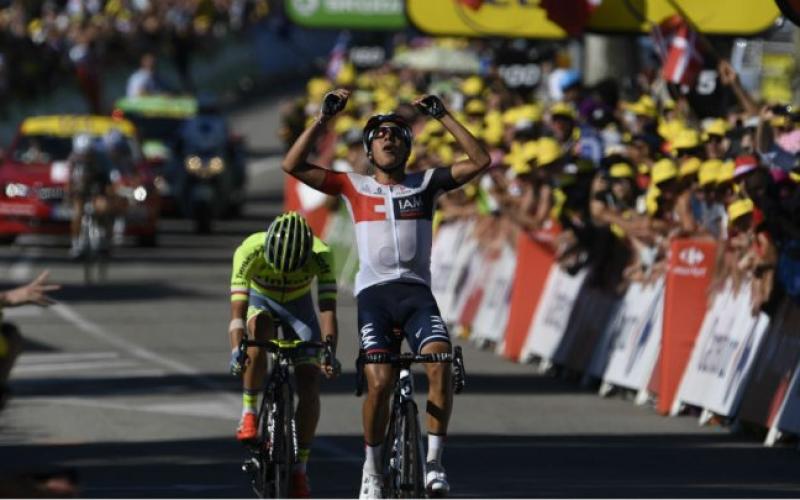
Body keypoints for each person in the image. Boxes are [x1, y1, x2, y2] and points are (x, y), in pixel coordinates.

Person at [282, 89, 490, 498]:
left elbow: (481, 161)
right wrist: (324, 118)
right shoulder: (353, 186)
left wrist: (444, 116)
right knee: (378, 383)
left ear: (408, 147)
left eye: (396, 135)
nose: (388, 139)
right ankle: (373, 470)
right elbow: (292, 164)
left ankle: (433, 463)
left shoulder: (426, 183)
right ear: (369, 150)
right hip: (375, 297)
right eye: (380, 136)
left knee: (439, 362)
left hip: (417, 295)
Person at [227, 212, 340, 498]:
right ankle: (249, 412)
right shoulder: (249, 250)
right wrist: (236, 351)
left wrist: (329, 352)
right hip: (261, 300)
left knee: (309, 383)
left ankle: (300, 469)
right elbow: (237, 316)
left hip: (299, 308)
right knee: (259, 331)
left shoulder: (322, 254)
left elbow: (327, 310)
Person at [66, 134, 114, 258]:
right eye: (81, 154)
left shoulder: (101, 159)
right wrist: (68, 195)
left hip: (97, 187)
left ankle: (104, 238)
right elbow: (69, 181)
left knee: (103, 208)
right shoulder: (72, 159)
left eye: (86, 154)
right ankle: (76, 243)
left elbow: (107, 181)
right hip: (80, 189)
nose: (83, 157)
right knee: (77, 213)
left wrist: (106, 195)